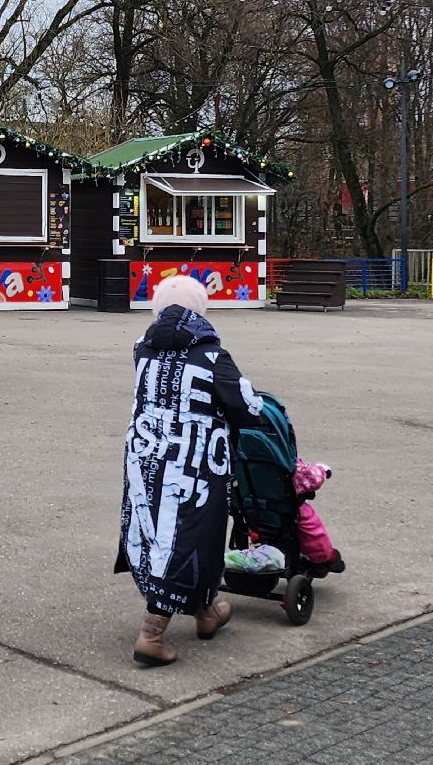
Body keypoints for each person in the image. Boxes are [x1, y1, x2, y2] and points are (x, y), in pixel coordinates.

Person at [115, 273, 266, 667]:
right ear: (201, 308)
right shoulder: (212, 355)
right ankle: (152, 633)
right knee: (184, 535)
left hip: (144, 459)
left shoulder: (141, 349)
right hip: (193, 465)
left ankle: (206, 611)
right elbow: (248, 407)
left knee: (160, 532)